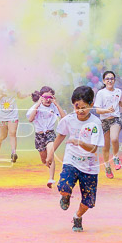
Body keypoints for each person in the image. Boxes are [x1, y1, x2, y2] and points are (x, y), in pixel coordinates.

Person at [47, 85, 103, 232]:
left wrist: (79, 142)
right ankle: (65, 196)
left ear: (91, 105)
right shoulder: (69, 120)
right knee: (64, 186)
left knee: (88, 202)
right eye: (77, 107)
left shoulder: (95, 124)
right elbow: (60, 136)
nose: (80, 111)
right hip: (71, 161)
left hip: (89, 167)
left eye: (84, 107)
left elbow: (93, 148)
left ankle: (77, 216)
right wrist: (50, 153)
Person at [93, 70, 122, 178]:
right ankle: (107, 166)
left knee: (114, 138)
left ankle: (116, 157)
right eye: (107, 79)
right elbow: (97, 110)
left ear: (114, 80)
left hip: (115, 119)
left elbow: (120, 102)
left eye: (112, 78)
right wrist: (106, 111)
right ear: (104, 81)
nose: (110, 81)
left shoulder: (118, 92)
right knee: (106, 146)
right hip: (104, 121)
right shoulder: (101, 93)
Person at [26, 86, 65, 179]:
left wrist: (57, 104)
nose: (48, 100)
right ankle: (47, 159)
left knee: (50, 154)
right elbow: (30, 119)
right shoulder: (36, 107)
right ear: (41, 97)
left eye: (50, 97)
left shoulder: (54, 107)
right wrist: (38, 104)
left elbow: (64, 118)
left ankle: (51, 179)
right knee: (44, 160)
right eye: (45, 97)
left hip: (50, 133)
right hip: (39, 135)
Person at [0, 83, 25, 163]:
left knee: (12, 133)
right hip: (2, 116)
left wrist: (28, 95)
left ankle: (13, 153)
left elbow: (20, 96)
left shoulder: (15, 88)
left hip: (13, 115)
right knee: (4, 135)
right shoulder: (0, 87)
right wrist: (2, 95)